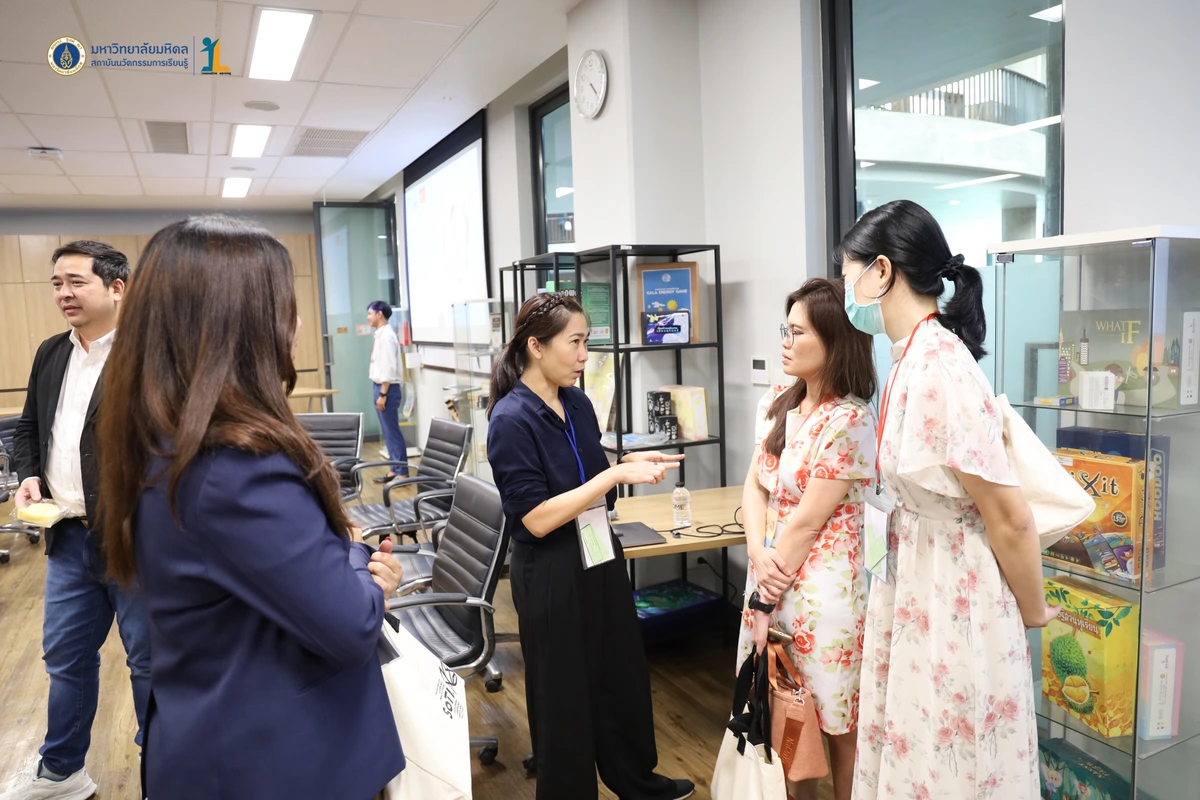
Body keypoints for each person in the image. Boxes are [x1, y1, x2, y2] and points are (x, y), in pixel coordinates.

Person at [95, 215, 406, 800]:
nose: (295, 325)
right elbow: (350, 627)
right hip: (274, 759)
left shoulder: (162, 441)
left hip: (214, 735)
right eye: (284, 307)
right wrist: (362, 564)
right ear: (242, 324)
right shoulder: (235, 468)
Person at [838, 200, 1058, 799]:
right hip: (920, 578)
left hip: (953, 585)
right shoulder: (911, 357)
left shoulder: (940, 368)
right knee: (922, 751)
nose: (845, 287)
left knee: (954, 761)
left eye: (848, 271)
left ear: (882, 272)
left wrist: (1033, 610)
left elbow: (1009, 516)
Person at [485, 292, 695, 800]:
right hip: (551, 567)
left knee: (619, 671)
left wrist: (626, 464)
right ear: (536, 346)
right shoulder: (511, 420)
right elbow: (536, 518)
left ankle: (634, 779)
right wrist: (613, 477)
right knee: (562, 693)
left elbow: (588, 472)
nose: (584, 356)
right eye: (575, 343)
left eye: (587, 343)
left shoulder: (576, 401)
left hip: (598, 548)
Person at [11, 240, 151, 800]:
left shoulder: (150, 353)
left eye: (75, 282)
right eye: (56, 284)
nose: (63, 293)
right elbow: (29, 427)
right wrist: (28, 474)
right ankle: (61, 770)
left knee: (149, 663)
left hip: (137, 539)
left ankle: (164, 767)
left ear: (116, 288)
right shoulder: (51, 352)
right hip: (68, 536)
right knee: (66, 658)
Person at [740, 278, 877, 800]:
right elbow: (754, 485)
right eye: (787, 328)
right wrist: (757, 553)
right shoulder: (777, 401)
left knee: (834, 719)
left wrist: (766, 584)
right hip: (769, 574)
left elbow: (807, 522)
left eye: (798, 332)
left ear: (835, 340)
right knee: (783, 708)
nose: (786, 341)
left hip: (823, 592)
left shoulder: (851, 418)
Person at [367, 300, 409, 482]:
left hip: (387, 388)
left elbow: (389, 368)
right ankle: (394, 469)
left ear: (379, 314)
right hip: (381, 387)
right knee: (387, 431)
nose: (368, 317)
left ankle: (402, 472)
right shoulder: (381, 335)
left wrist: (383, 394)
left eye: (370, 313)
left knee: (392, 431)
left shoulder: (386, 337)